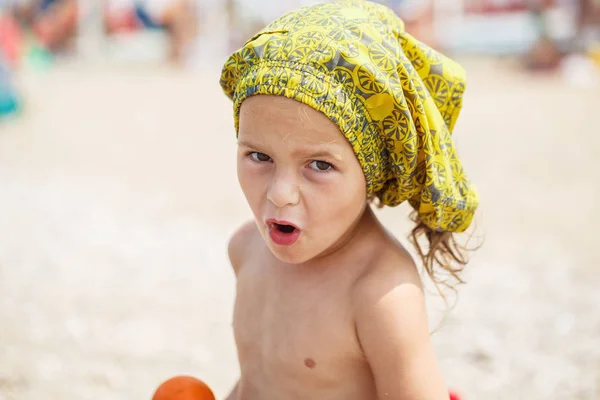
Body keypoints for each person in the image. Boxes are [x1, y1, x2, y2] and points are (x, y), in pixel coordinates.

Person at [220, 1, 479, 399]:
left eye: (319, 166)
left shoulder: (380, 294)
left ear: (373, 171)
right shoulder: (245, 249)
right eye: (259, 156)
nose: (279, 193)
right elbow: (259, 380)